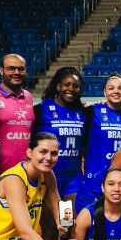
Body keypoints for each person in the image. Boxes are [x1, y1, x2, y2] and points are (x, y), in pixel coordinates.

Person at [74, 74, 121, 215]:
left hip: (119, 181)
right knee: (91, 223)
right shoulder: (92, 111)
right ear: (104, 92)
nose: (116, 91)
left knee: (115, 221)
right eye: (111, 88)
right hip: (94, 178)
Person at [33, 67, 86, 202]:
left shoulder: (83, 112)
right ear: (58, 86)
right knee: (52, 221)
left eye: (76, 86)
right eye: (66, 85)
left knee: (73, 219)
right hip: (47, 173)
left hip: (74, 176)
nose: (71, 89)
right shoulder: (40, 110)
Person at [0, 54, 34, 173]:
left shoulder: (28, 96)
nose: (16, 72)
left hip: (26, 169)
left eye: (21, 69)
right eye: (11, 68)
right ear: (1, 71)